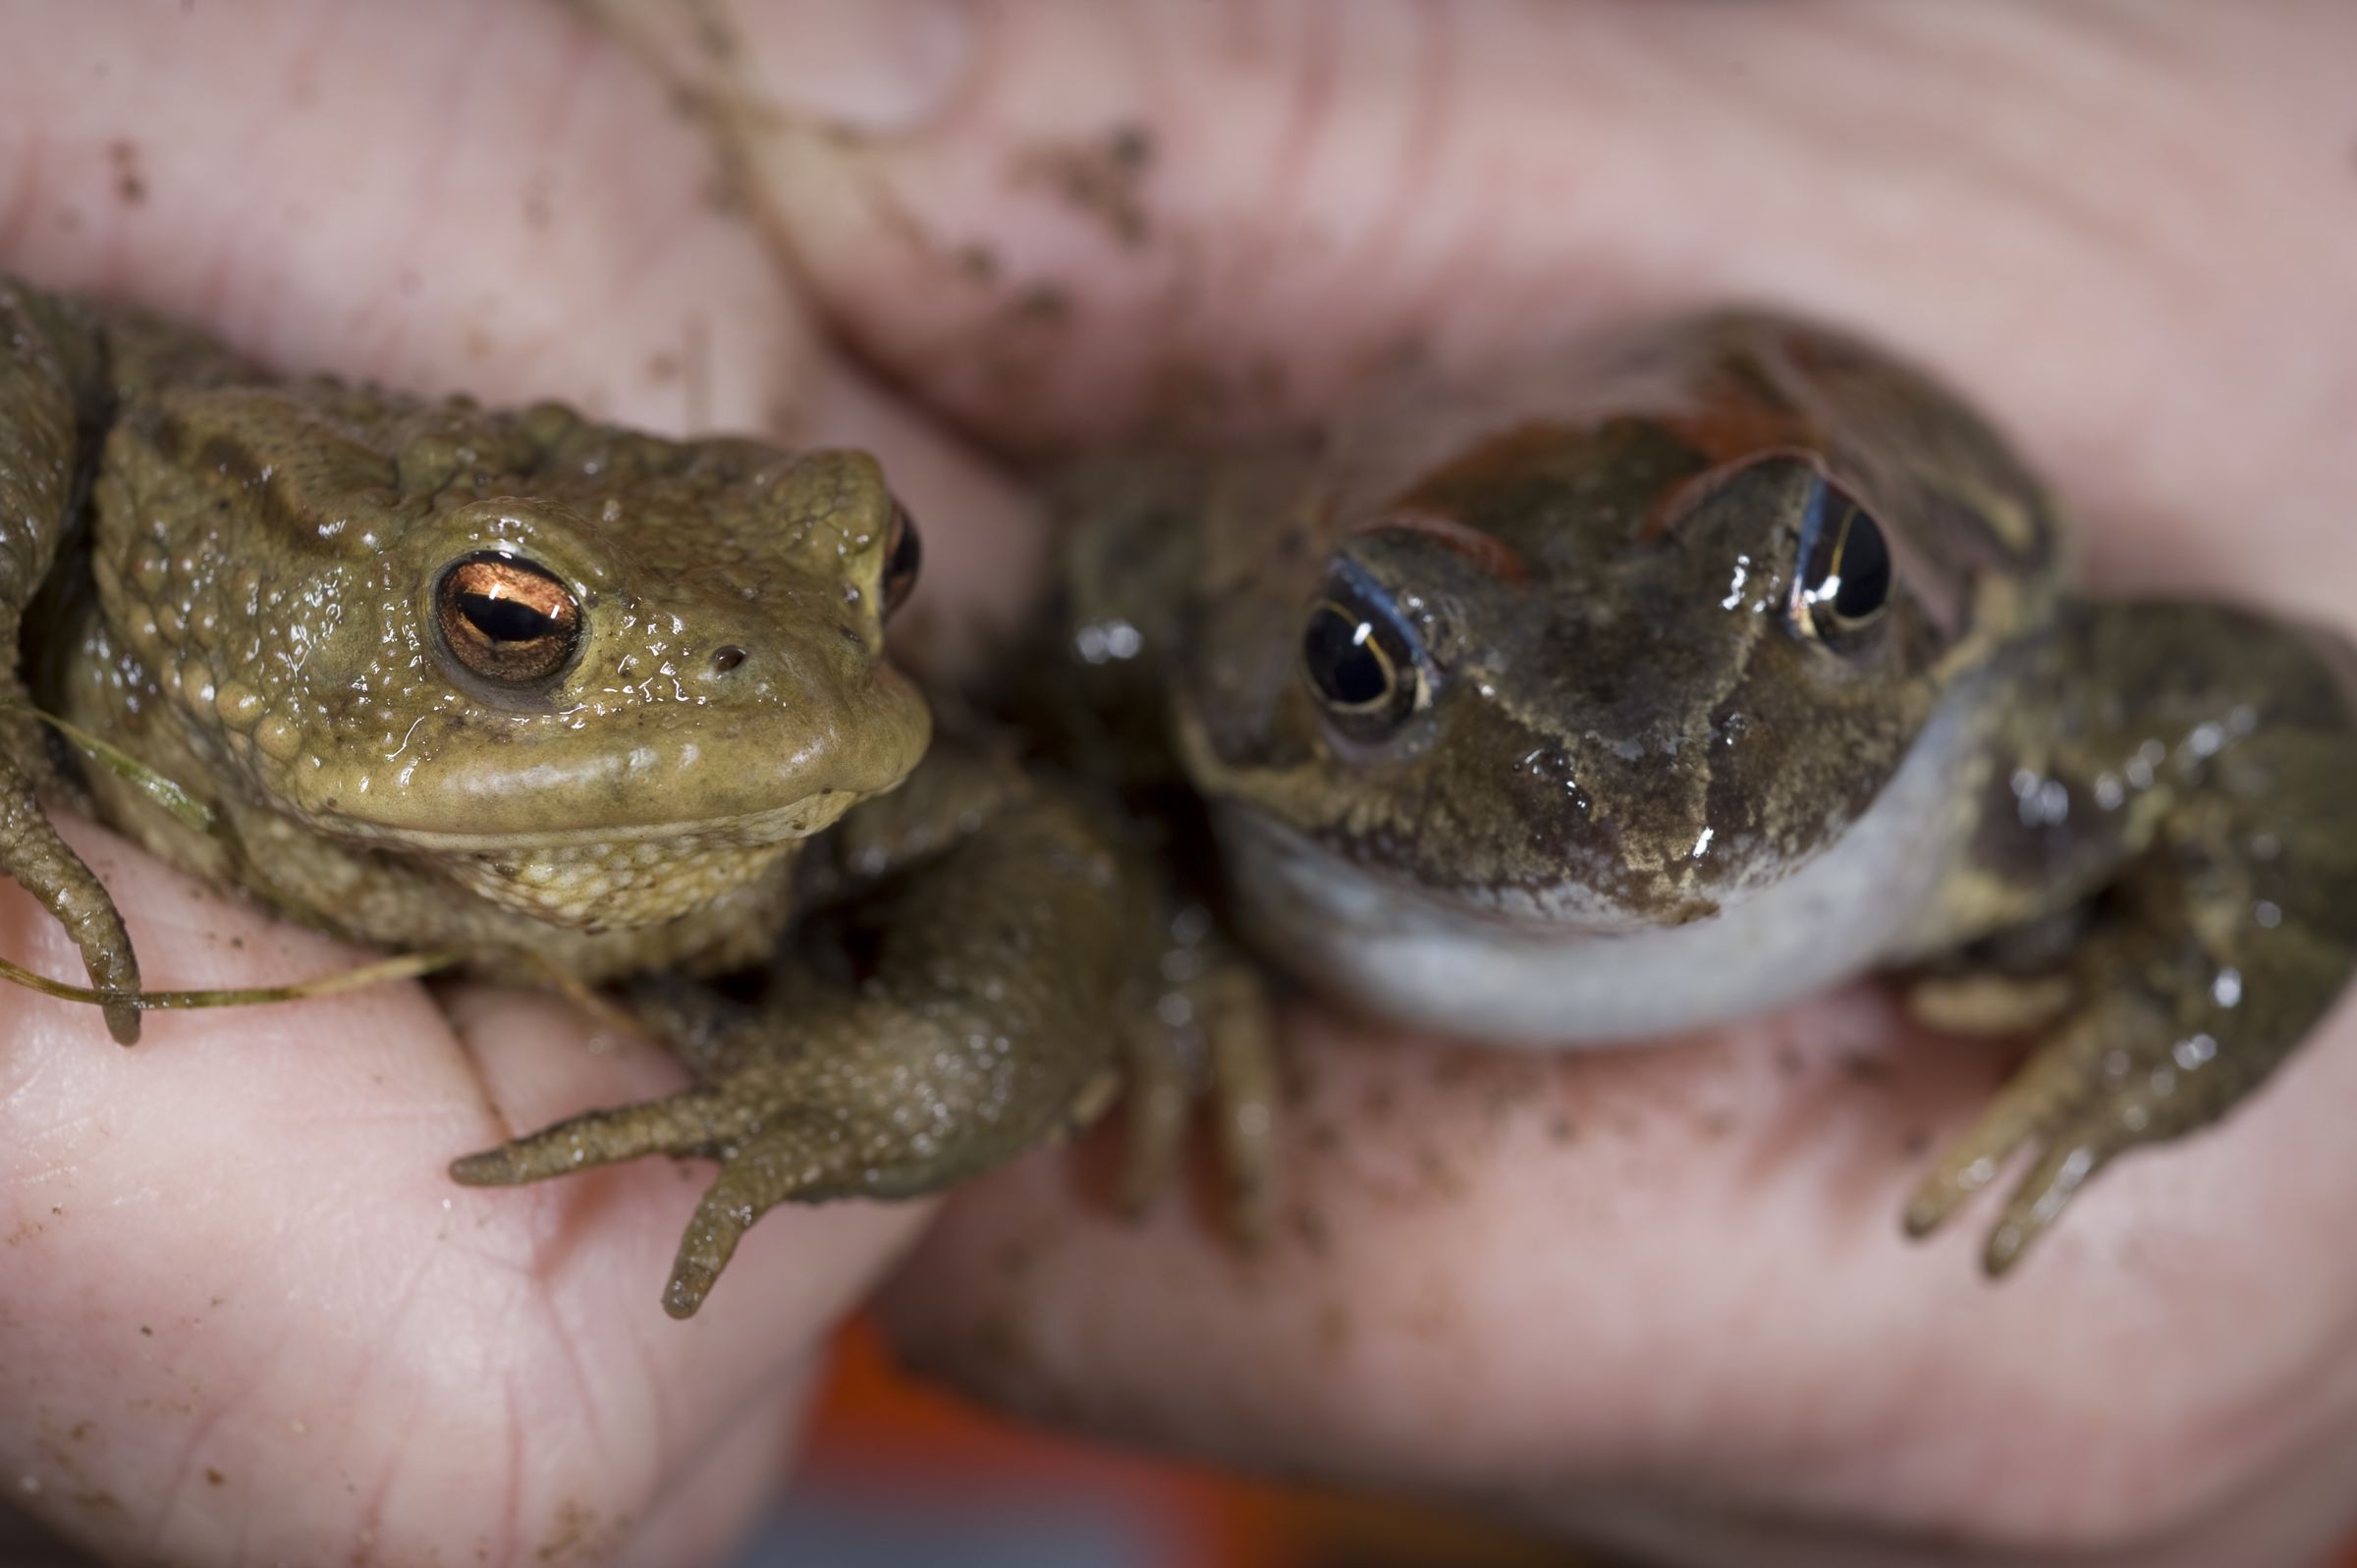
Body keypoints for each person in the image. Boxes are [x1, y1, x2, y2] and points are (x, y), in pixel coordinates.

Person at [3, 3, 2354, 1565]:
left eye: (878, 580)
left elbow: (2272, 724)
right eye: (1355, 672)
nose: (1665, 802)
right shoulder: (1127, 635)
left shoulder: (2026, 732)